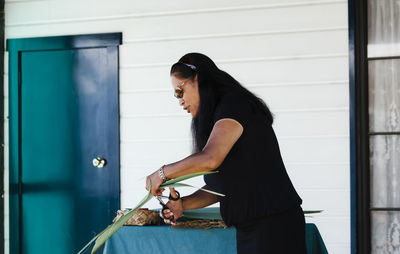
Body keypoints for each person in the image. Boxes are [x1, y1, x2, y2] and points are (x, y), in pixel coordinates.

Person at [146, 53, 307, 253]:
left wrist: (162, 173)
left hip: (273, 225)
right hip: (253, 227)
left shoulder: (234, 105)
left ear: (199, 79)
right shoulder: (221, 114)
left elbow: (210, 159)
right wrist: (183, 204)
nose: (180, 101)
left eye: (180, 91)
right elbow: (222, 188)